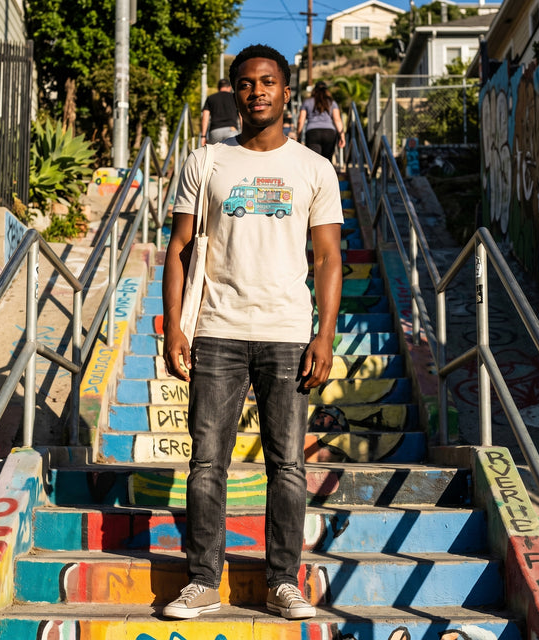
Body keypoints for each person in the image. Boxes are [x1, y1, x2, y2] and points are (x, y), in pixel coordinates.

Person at [161, 44, 343, 621]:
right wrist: (173, 329)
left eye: (268, 82)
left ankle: (283, 580)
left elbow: (329, 258)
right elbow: (180, 248)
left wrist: (325, 334)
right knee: (207, 462)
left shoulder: (314, 168)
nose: (257, 91)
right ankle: (201, 580)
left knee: (287, 464)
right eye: (245, 83)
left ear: (287, 92)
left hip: (288, 332)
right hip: (215, 329)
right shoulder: (207, 162)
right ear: (233, 92)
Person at [296, 80, 346, 162]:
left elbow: (300, 120)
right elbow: (337, 120)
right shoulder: (332, 102)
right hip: (329, 132)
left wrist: (299, 136)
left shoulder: (307, 102)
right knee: (327, 161)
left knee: (314, 162)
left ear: (314, 90)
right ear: (326, 90)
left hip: (313, 132)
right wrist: (342, 136)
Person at [200, 78, 241, 145]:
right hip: (231, 130)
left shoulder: (211, 98)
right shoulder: (234, 97)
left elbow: (205, 117)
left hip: (215, 131)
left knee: (216, 154)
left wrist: (203, 136)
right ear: (230, 87)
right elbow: (241, 115)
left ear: (218, 88)